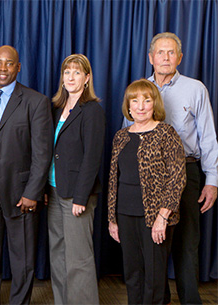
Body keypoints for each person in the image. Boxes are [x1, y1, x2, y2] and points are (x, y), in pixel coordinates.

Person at [123, 32, 218, 304]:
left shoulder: (195, 88)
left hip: (186, 173)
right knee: (152, 245)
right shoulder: (139, 89)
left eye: (171, 52)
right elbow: (126, 133)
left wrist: (212, 179)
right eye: (160, 53)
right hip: (145, 176)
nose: (165, 57)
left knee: (186, 245)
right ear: (150, 57)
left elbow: (208, 136)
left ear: (180, 57)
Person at [0, 45, 53, 304]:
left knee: (23, 256)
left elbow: (42, 153)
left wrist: (33, 193)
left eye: (9, 63)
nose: (3, 68)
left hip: (21, 192)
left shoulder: (35, 101)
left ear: (18, 67)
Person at [109, 79, 186, 304]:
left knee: (154, 277)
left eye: (147, 100)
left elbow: (178, 178)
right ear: (128, 105)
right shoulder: (121, 136)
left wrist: (163, 217)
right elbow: (114, 180)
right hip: (124, 214)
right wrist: (112, 219)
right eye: (135, 100)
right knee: (132, 274)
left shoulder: (166, 134)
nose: (141, 106)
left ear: (155, 104)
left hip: (155, 216)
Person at [46, 54, 105, 304]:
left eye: (77, 72)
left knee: (78, 259)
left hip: (77, 196)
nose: (71, 77)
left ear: (87, 78)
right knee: (58, 254)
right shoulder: (56, 107)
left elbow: (92, 158)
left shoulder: (92, 111)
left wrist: (81, 197)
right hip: (55, 190)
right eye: (67, 72)